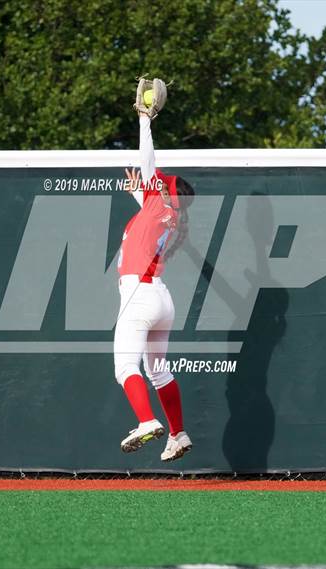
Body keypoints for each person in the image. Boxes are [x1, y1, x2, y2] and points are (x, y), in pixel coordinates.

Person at [113, 82, 194, 461]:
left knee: (125, 366)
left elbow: (147, 161)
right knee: (158, 371)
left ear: (165, 192)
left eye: (162, 184)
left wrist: (145, 121)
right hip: (160, 298)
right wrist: (138, 193)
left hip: (139, 296)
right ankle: (177, 434)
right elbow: (154, 210)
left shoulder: (158, 203)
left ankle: (147, 421)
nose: (156, 181)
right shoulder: (171, 216)